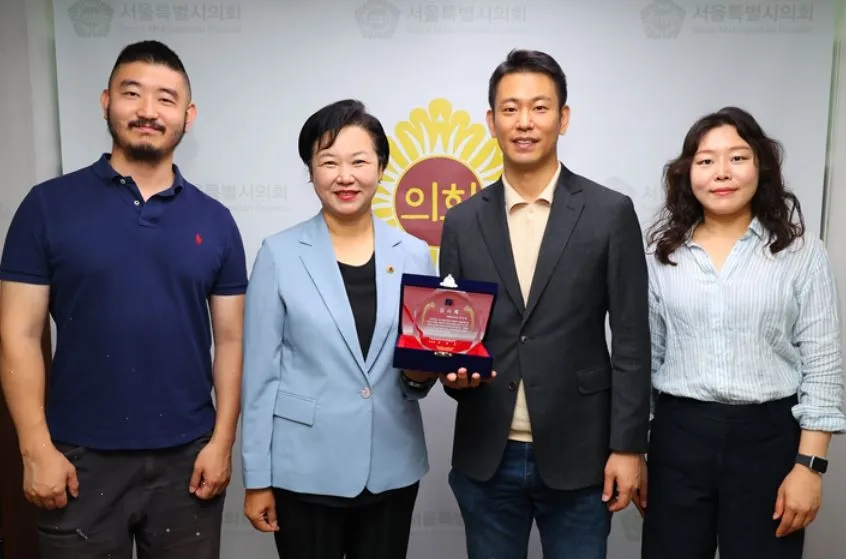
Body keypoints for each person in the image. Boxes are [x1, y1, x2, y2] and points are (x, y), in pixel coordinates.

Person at [0, 40, 247, 559]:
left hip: (188, 460)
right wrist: (36, 448)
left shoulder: (216, 221)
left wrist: (222, 442)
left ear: (188, 115)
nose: (148, 110)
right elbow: (18, 334)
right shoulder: (47, 206)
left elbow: (230, 341)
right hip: (76, 458)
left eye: (166, 98)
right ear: (106, 101)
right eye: (132, 93)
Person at [437, 48, 652, 558]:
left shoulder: (609, 213)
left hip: (582, 455)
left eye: (540, 107)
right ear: (491, 121)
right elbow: (452, 335)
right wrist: (452, 375)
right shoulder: (462, 221)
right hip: (487, 455)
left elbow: (631, 339)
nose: (524, 122)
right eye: (510, 109)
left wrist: (628, 446)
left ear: (563, 117)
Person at [639, 106, 845, 559]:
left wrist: (810, 466)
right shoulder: (661, 255)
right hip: (678, 438)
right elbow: (645, 360)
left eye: (737, 157)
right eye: (706, 160)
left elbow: (824, 365)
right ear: (687, 172)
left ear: (761, 166)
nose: (722, 172)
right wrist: (636, 451)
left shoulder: (801, 253)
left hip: (768, 441)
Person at [240, 99, 438, 559]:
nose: (344, 176)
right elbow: (260, 377)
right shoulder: (279, 254)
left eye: (359, 161)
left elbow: (416, 373)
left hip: (391, 466)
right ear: (311, 172)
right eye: (328, 162)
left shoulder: (413, 254)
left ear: (381, 168)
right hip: (303, 470)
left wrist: (420, 376)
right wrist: (257, 478)